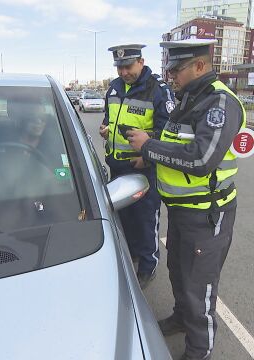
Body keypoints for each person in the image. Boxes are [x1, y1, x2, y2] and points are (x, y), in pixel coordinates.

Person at [127, 39, 246, 360]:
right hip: (182, 211)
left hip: (207, 214)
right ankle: (181, 319)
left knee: (200, 289)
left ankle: (199, 351)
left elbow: (201, 158)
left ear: (199, 66)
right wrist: (149, 158)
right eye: (168, 68)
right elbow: (177, 144)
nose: (170, 75)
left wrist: (148, 147)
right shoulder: (191, 97)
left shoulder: (219, 103)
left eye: (176, 69)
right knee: (179, 273)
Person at [99, 44, 175, 288]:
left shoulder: (157, 90)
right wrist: (105, 129)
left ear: (141, 62)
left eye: (127, 66)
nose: (123, 72)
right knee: (125, 218)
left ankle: (147, 265)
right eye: (119, 67)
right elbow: (109, 119)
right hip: (118, 167)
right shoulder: (114, 88)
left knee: (145, 218)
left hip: (144, 167)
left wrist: (149, 157)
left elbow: (169, 132)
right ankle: (131, 254)